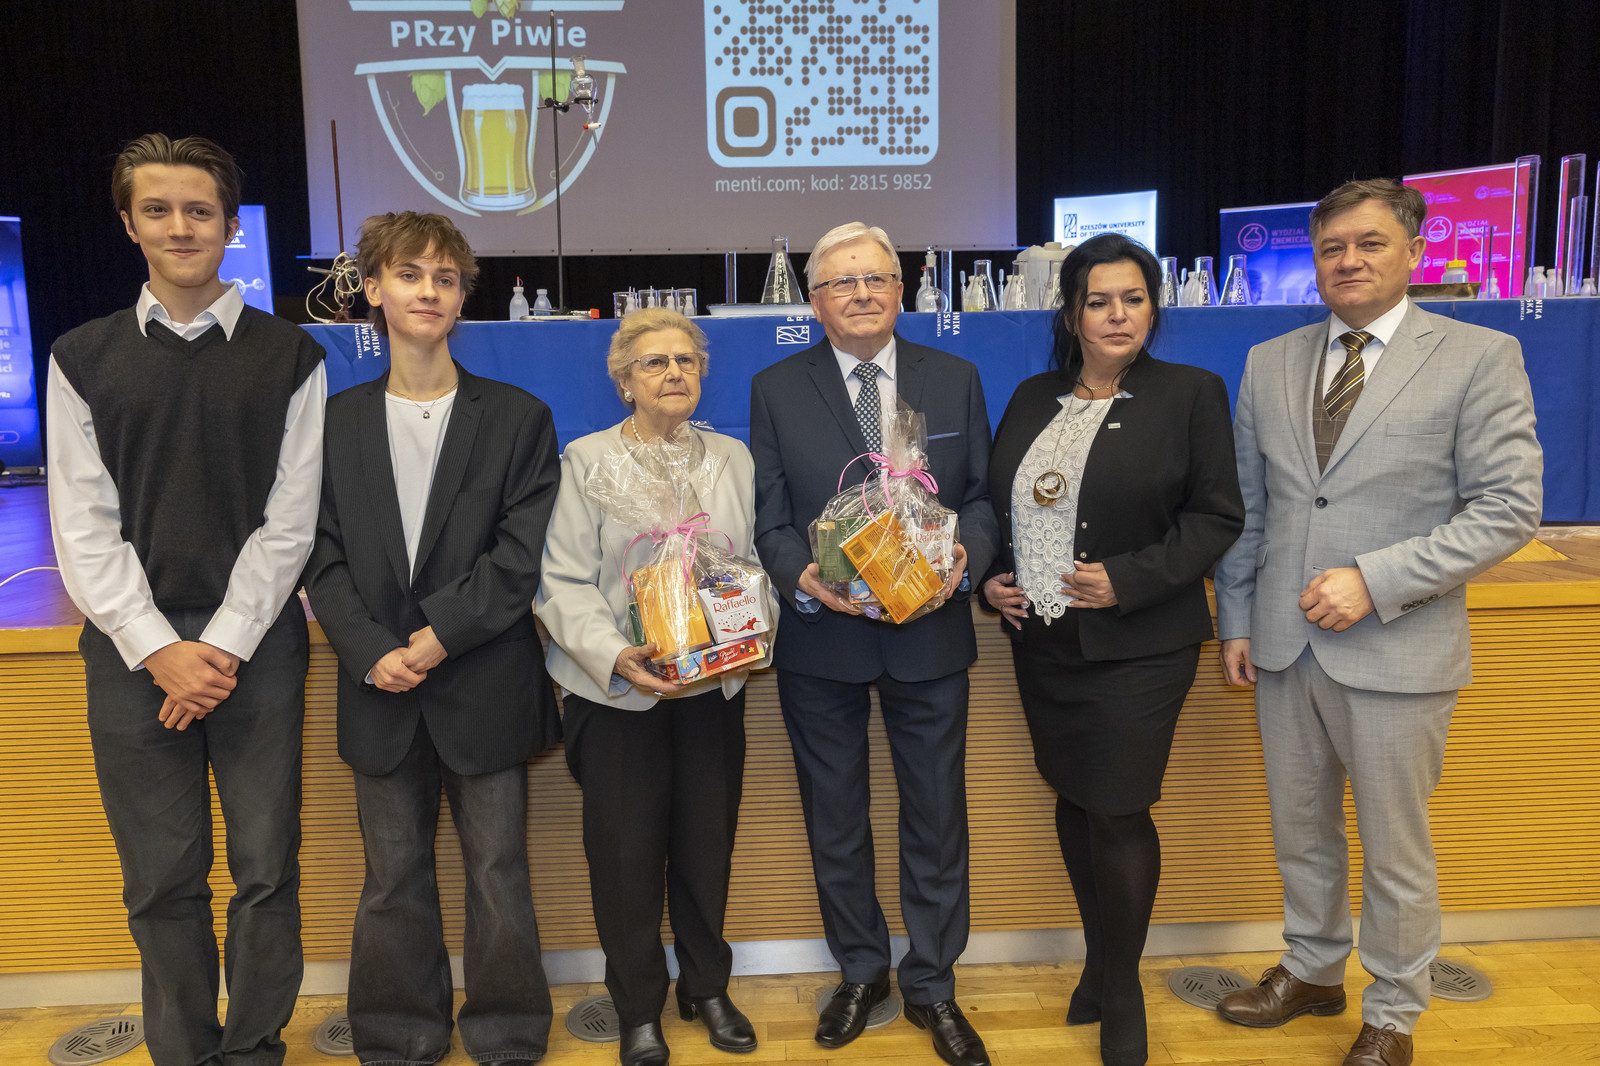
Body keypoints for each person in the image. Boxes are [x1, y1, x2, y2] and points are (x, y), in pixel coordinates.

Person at [1212, 179, 1543, 1066]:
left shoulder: (1479, 355)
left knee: (1395, 850)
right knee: (1302, 830)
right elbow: (1251, 507)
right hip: (1283, 645)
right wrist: (1236, 618)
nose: (1349, 261)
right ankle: (1312, 969)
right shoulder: (1270, 361)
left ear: (1415, 252)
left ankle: (1393, 1011)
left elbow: (1509, 508)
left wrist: (1376, 579)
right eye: (1332, 248)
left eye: (1369, 244)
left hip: (1399, 644)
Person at [45, 133, 325, 1066]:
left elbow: (291, 520)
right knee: (162, 880)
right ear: (129, 224)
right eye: (157, 210)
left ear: (230, 225)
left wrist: (226, 643)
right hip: (133, 657)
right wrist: (158, 647)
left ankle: (254, 1050)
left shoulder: (292, 355)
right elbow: (82, 523)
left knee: (266, 871)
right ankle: (185, 1053)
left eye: (199, 210)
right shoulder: (81, 357)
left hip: (259, 651)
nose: (180, 227)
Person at [303, 211, 560, 1066]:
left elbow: (518, 558)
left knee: (498, 876)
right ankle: (395, 1036)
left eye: (445, 279)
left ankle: (508, 1036)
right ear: (374, 289)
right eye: (410, 275)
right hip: (377, 684)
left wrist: (437, 637)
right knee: (391, 880)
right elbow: (319, 554)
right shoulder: (333, 423)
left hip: (483, 680)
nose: (428, 292)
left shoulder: (518, 418)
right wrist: (370, 647)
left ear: (461, 297)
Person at [981, 234, 1244, 1066]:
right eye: (1099, 301)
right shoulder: (1032, 396)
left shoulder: (1192, 394)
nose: (1117, 315)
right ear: (1071, 314)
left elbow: (1217, 517)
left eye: (1133, 299)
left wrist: (1127, 578)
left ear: (1154, 309)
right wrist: (991, 580)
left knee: (1120, 806)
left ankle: (1122, 987)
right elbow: (1000, 505)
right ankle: (1099, 962)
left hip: (1141, 646)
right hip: (1043, 643)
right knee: (1075, 795)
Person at [749, 222, 1000, 1066]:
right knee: (836, 820)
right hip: (823, 639)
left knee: (937, 818)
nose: (860, 294)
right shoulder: (775, 387)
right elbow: (769, 517)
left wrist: (964, 562)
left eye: (876, 278)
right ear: (815, 302)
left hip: (930, 635)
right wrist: (801, 577)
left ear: (901, 290)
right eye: (841, 282)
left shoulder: (954, 378)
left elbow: (983, 499)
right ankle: (862, 971)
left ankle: (933, 983)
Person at [536, 308, 773, 1066]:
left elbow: (751, 563)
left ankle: (706, 988)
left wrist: (750, 632)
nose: (673, 373)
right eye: (654, 363)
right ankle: (638, 1005)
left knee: (706, 849)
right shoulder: (586, 461)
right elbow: (561, 581)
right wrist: (615, 654)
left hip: (711, 692)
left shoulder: (731, 458)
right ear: (623, 382)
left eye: (686, 361)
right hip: (618, 697)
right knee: (625, 858)